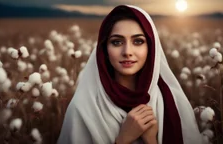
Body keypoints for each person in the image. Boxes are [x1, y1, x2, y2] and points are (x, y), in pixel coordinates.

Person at [57, 5, 203, 144]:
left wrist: (150, 140)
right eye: (116, 42)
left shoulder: (173, 102)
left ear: (151, 49)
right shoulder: (83, 108)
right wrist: (123, 139)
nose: (127, 51)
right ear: (104, 50)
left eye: (138, 41)